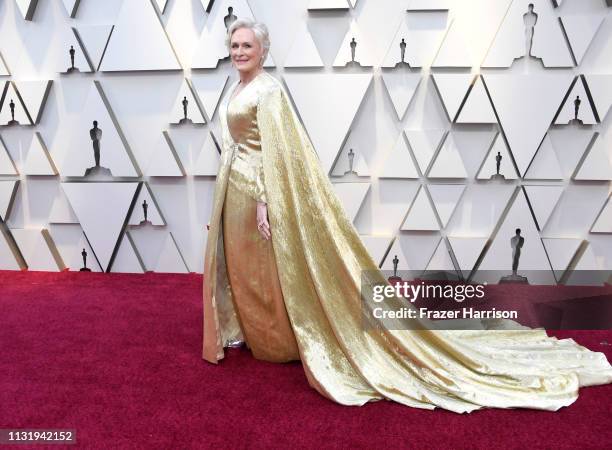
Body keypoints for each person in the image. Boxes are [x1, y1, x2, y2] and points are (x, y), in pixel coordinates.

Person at [202, 18, 612, 413]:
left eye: (246, 46)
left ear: (262, 51)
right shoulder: (240, 87)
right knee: (244, 265)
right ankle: (252, 331)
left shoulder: (268, 91)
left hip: (256, 191)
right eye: (234, 46)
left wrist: (263, 198)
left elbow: (277, 150)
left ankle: (278, 340)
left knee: (265, 265)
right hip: (232, 189)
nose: (239, 52)